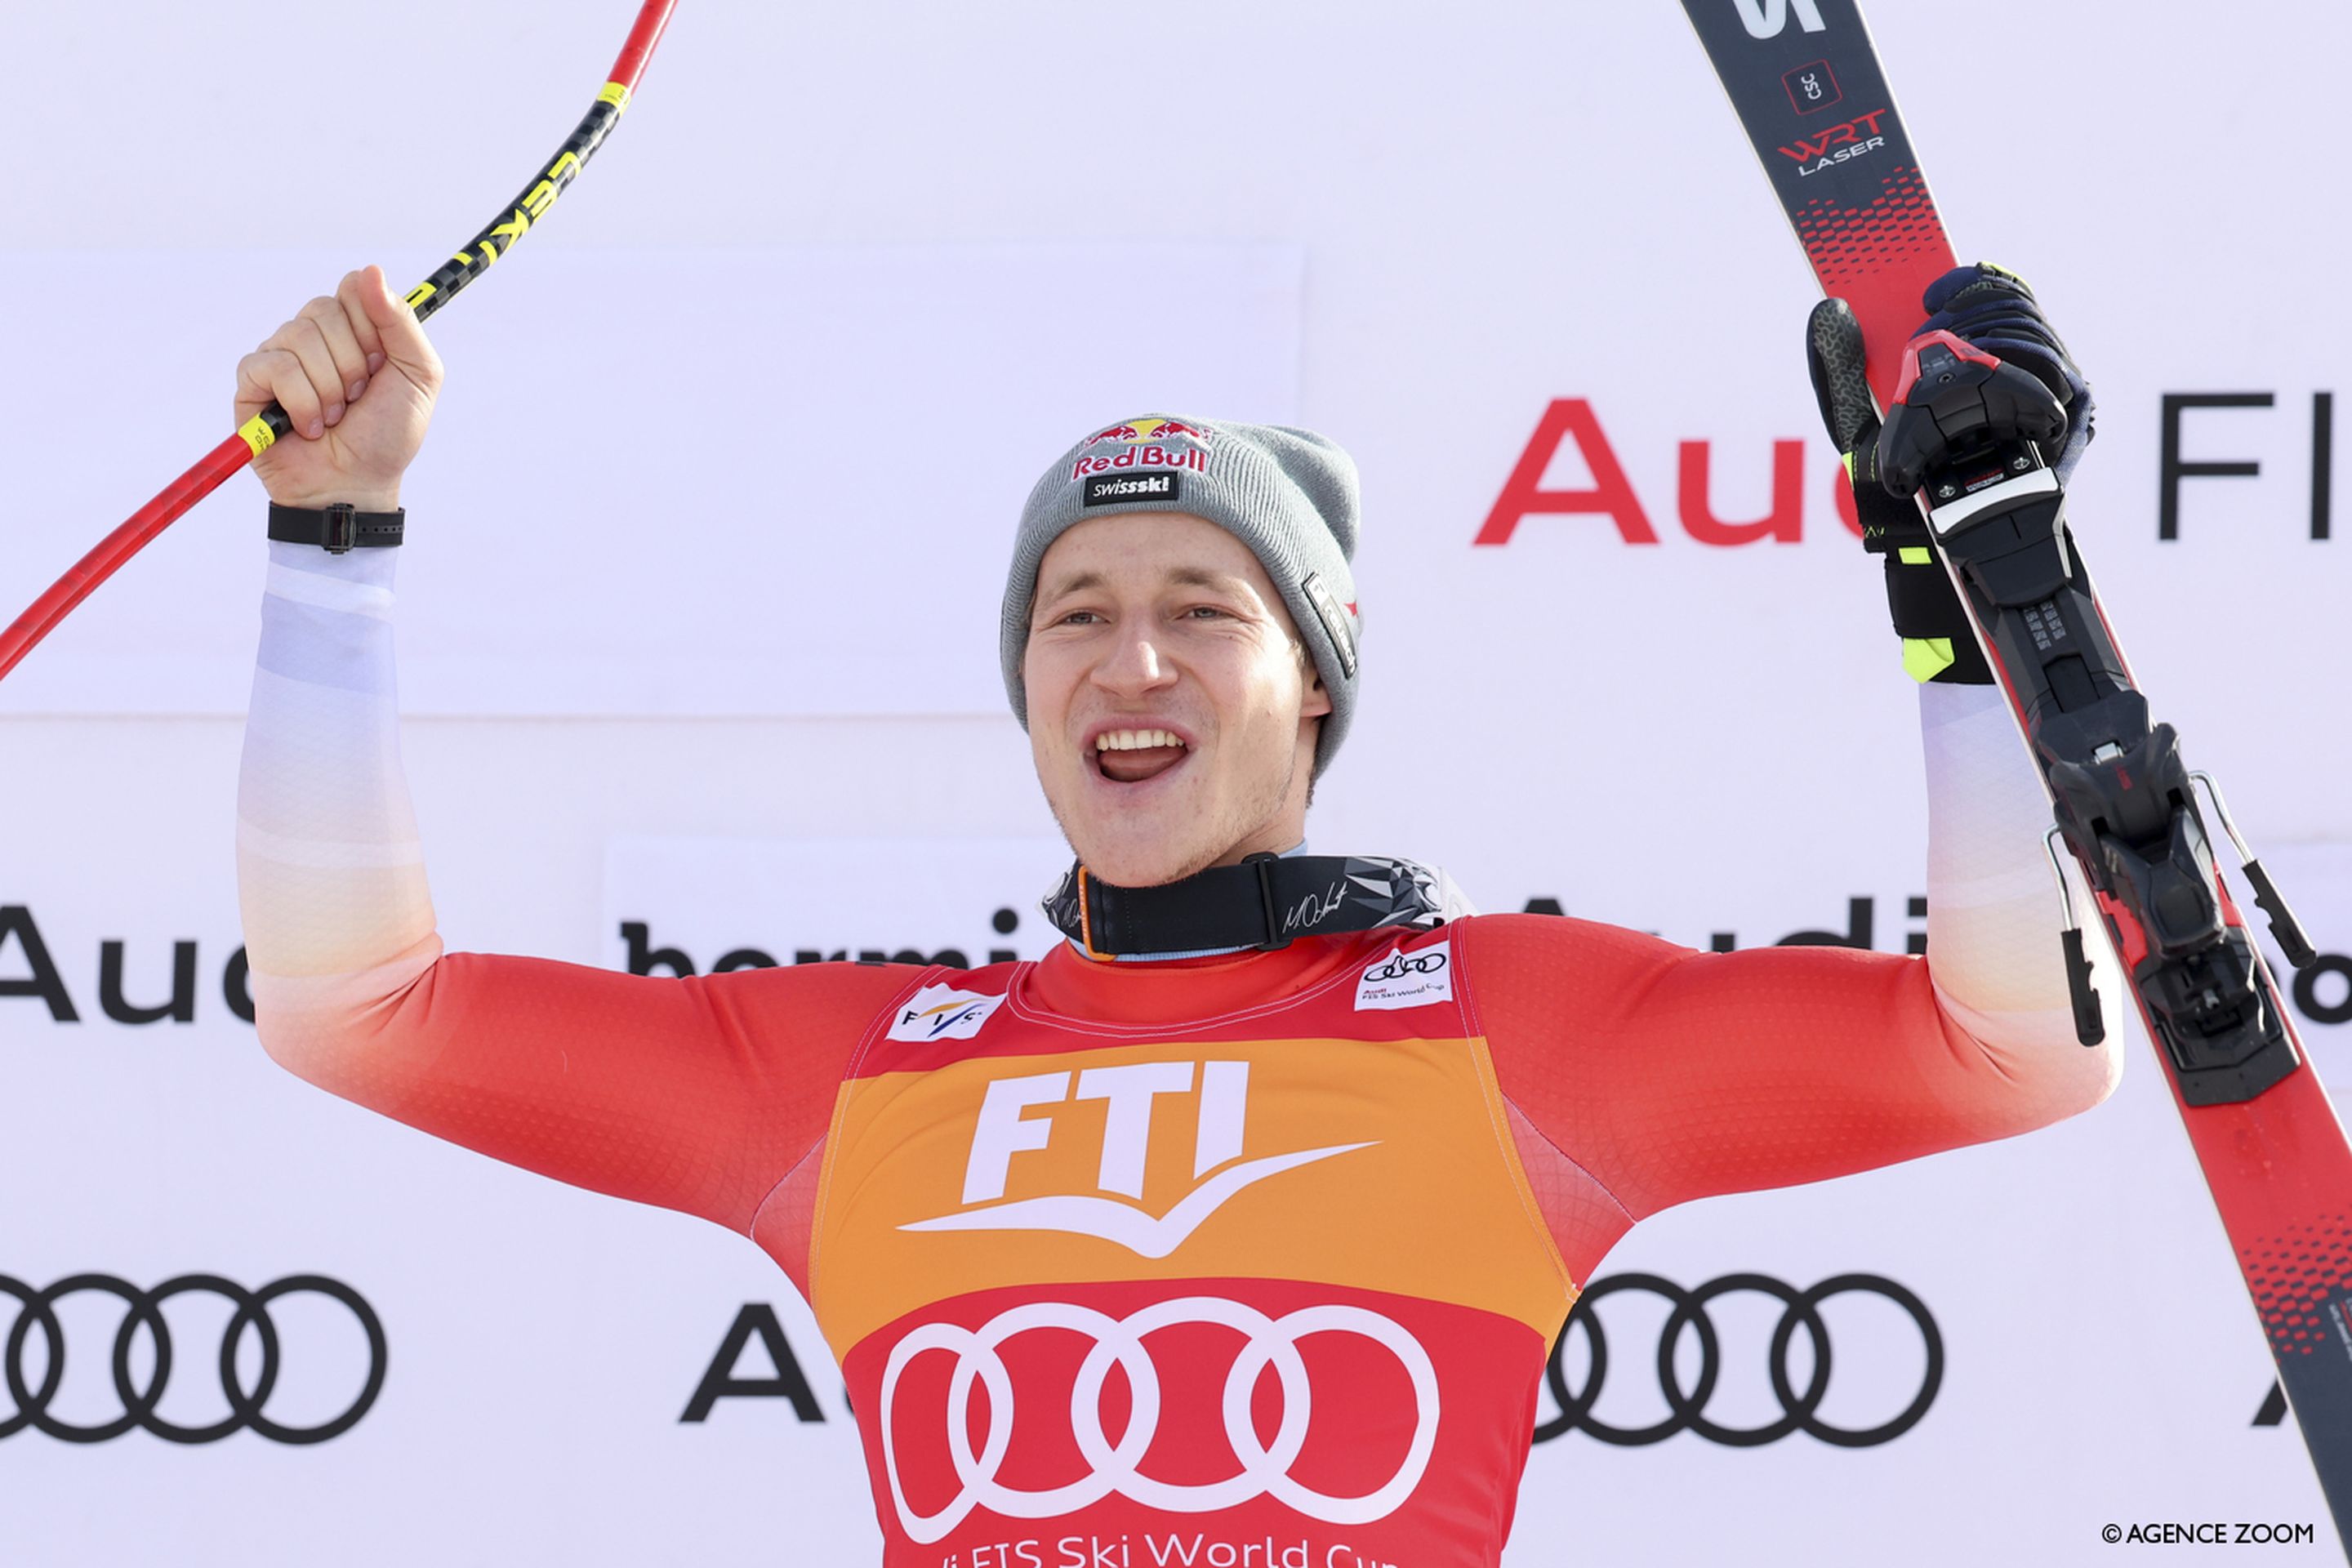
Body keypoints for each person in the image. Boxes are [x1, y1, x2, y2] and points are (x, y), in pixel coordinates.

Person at [234, 260, 2118, 1567]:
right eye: (1076, 612)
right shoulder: (854, 1079)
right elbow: (356, 1005)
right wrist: (335, 540)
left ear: (1314, 682)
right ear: (1028, 684)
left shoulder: (1510, 1030)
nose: (1130, 660)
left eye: (1205, 609)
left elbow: (2016, 1050)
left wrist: (1973, 620)